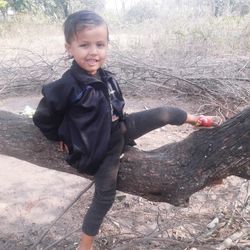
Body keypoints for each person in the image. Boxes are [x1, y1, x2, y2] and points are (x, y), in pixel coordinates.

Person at [33, 10, 222, 250]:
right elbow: (43, 118)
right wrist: (59, 136)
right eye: (84, 45)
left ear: (107, 46)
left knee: (164, 113)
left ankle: (197, 120)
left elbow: (115, 105)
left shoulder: (106, 76)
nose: (93, 52)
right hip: (101, 148)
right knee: (104, 196)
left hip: (120, 127)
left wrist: (121, 121)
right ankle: (85, 244)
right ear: (69, 48)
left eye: (100, 44)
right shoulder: (66, 86)